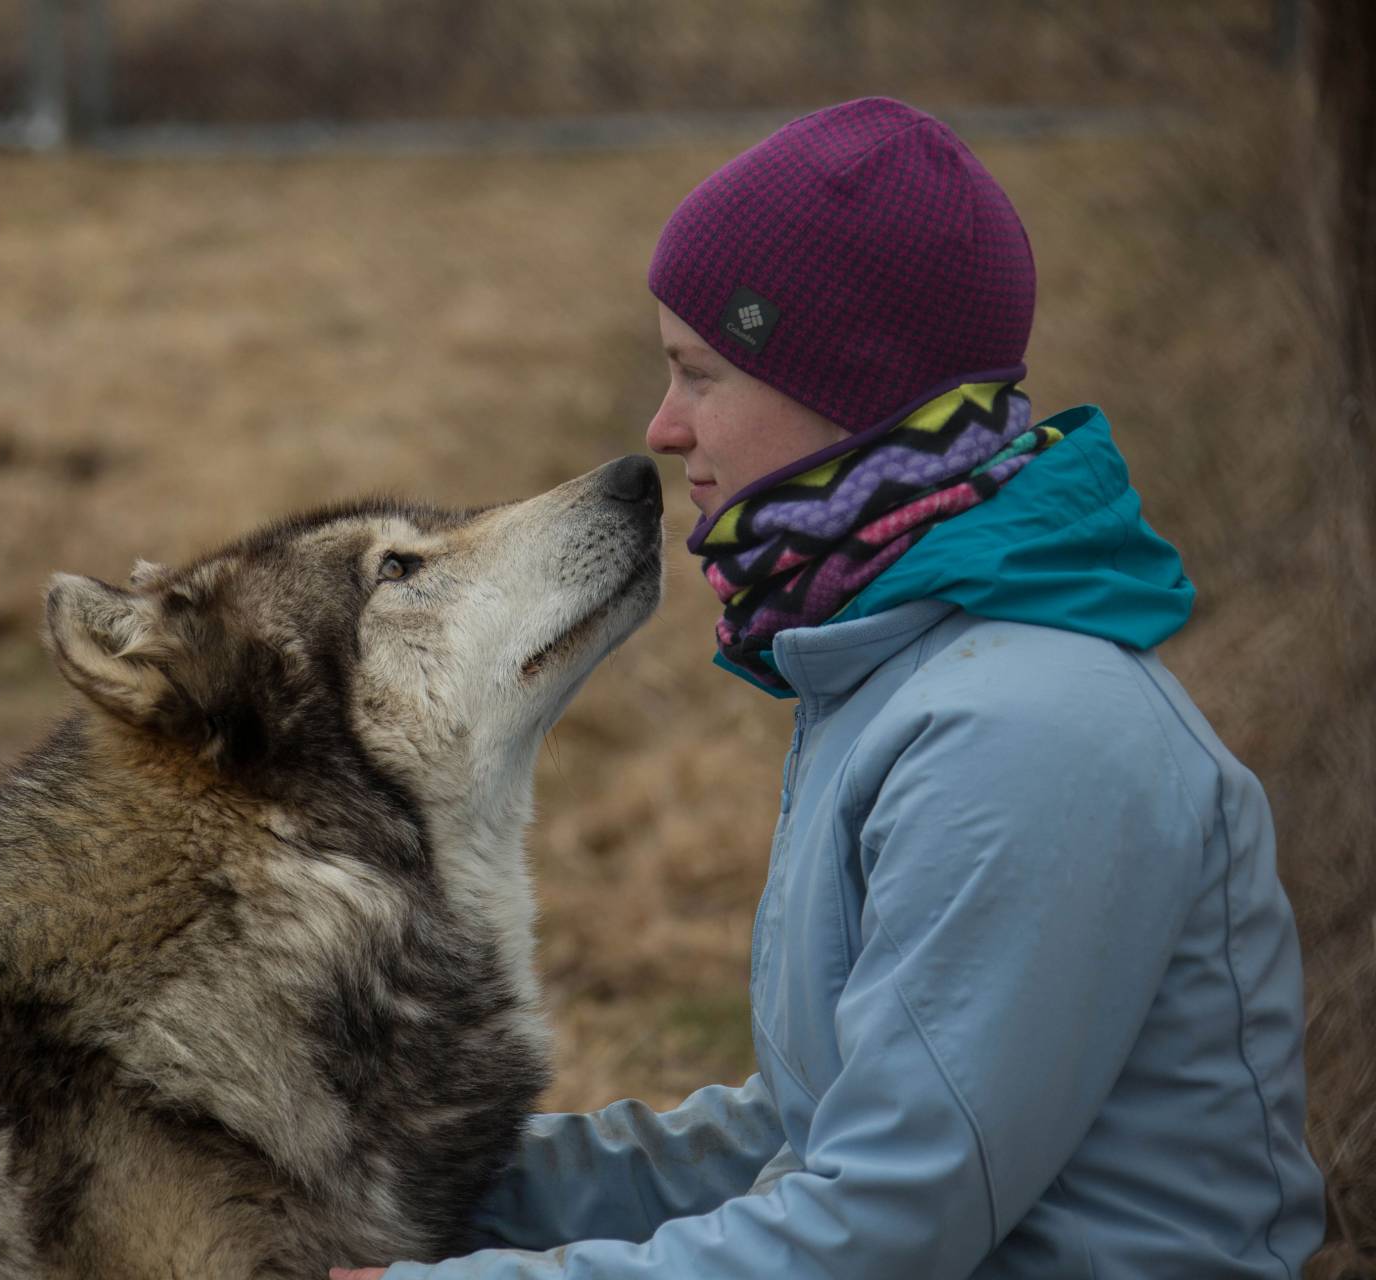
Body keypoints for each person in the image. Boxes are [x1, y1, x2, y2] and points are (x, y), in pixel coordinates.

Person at [335, 97, 1325, 1279]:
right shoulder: (905, 675)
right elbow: (805, 1136)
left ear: (846, 391)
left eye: (700, 372)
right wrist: (409, 1188)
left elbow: (881, 1229)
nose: (663, 426)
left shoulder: (1025, 735)